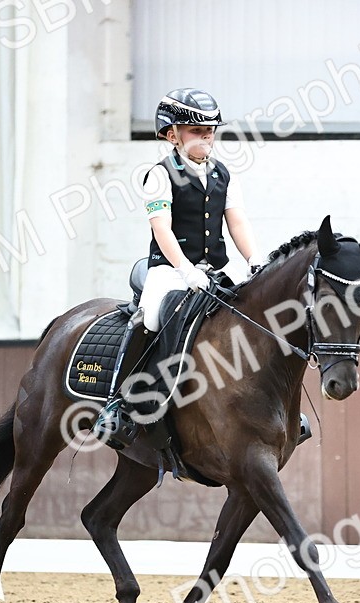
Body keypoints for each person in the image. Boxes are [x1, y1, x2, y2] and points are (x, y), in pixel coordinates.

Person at [94, 88, 262, 445]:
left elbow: (237, 221)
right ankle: (117, 403)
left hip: (214, 270)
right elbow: (162, 229)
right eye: (196, 130)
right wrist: (186, 269)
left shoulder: (224, 174)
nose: (206, 137)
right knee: (150, 318)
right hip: (169, 270)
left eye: (210, 131)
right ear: (172, 135)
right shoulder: (160, 175)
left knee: (252, 311)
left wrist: (254, 259)